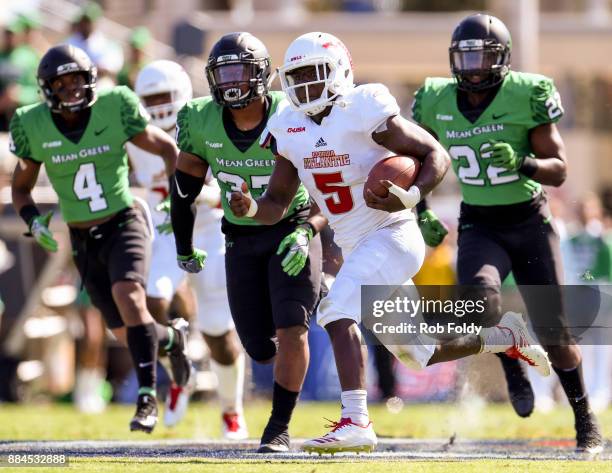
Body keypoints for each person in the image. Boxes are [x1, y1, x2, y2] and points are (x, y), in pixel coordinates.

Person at [229, 31, 551, 455]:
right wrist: (250, 209)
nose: (305, 85)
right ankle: (505, 336)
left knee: (335, 309)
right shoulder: (287, 125)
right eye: (298, 75)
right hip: (357, 245)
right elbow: (276, 202)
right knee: (418, 352)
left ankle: (356, 420)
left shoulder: (362, 109)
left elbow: (436, 154)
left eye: (314, 73)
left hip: (393, 235)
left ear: (340, 72)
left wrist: (414, 195)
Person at [411, 13, 602, 453]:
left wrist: (523, 163)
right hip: (480, 221)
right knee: (481, 305)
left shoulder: (525, 93)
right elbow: (417, 159)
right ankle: (513, 365)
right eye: (466, 56)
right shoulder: (435, 98)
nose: (474, 66)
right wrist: (419, 208)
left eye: (483, 56)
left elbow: (559, 168)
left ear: (502, 58)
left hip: (530, 221)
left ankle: (584, 418)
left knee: (555, 334)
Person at [9, 44, 190, 433]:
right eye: (62, 83)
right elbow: (21, 189)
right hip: (81, 238)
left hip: (124, 221)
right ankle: (172, 341)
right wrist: (34, 222)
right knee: (125, 330)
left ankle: (146, 399)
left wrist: (180, 199)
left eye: (78, 79)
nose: (72, 89)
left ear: (90, 80)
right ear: (47, 89)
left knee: (130, 297)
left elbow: (167, 148)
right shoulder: (32, 124)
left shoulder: (115, 106)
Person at [170, 32, 323, 452]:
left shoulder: (294, 114)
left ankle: (278, 427)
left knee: (293, 327)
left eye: (240, 70)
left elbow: (330, 186)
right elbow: (183, 191)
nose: (231, 82)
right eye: (223, 73)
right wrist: (183, 247)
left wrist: (308, 229)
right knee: (257, 347)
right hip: (240, 235)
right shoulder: (200, 120)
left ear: (262, 74)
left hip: (290, 228)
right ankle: (310, 292)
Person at [126, 59, 248, 438]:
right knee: (151, 299)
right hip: (165, 231)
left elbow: (230, 184)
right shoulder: (136, 135)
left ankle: (232, 409)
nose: (160, 105)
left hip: (210, 232)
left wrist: (196, 196)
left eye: (166, 96)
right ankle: (180, 371)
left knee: (217, 331)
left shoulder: (202, 123)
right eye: (152, 98)